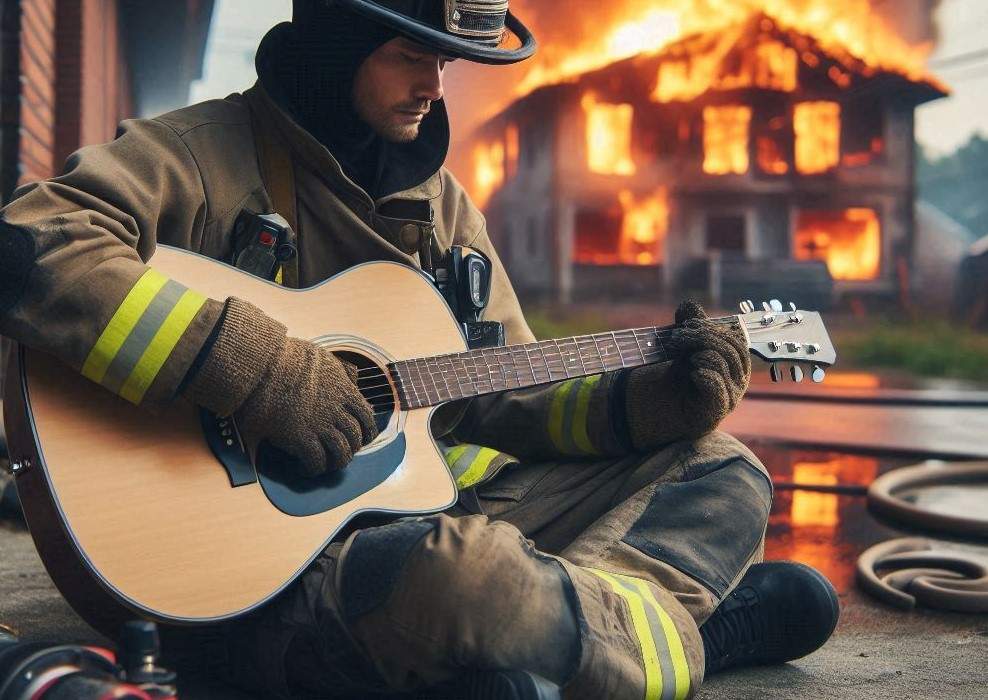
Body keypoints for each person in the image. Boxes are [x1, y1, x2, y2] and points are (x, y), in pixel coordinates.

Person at [0, 1, 840, 698]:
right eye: (410, 56)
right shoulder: (196, 157)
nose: (435, 88)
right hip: (257, 578)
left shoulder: (441, 212)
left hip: (427, 515)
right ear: (337, 42)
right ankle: (692, 637)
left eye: (445, 61)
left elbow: (500, 388)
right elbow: (34, 246)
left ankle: (558, 645)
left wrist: (648, 403)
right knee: (466, 584)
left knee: (720, 466)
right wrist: (253, 369)